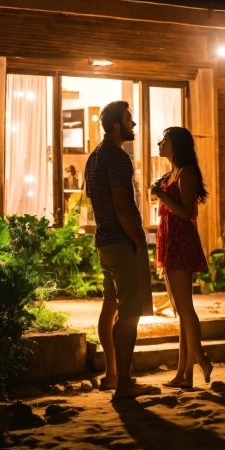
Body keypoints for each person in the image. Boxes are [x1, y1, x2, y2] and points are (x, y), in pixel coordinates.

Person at [85, 100, 158, 400]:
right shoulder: (118, 157)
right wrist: (139, 240)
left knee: (110, 305)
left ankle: (112, 374)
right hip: (121, 241)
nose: (134, 124)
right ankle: (125, 384)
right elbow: (121, 204)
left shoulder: (94, 157)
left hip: (104, 241)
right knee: (130, 315)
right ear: (117, 125)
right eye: (129, 119)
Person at [151, 126, 213, 388]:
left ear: (176, 144)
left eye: (164, 140)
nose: (159, 143)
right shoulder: (170, 174)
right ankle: (184, 375)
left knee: (185, 307)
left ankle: (201, 359)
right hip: (170, 240)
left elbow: (187, 213)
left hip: (182, 241)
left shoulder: (186, 173)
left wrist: (161, 194)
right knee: (180, 309)